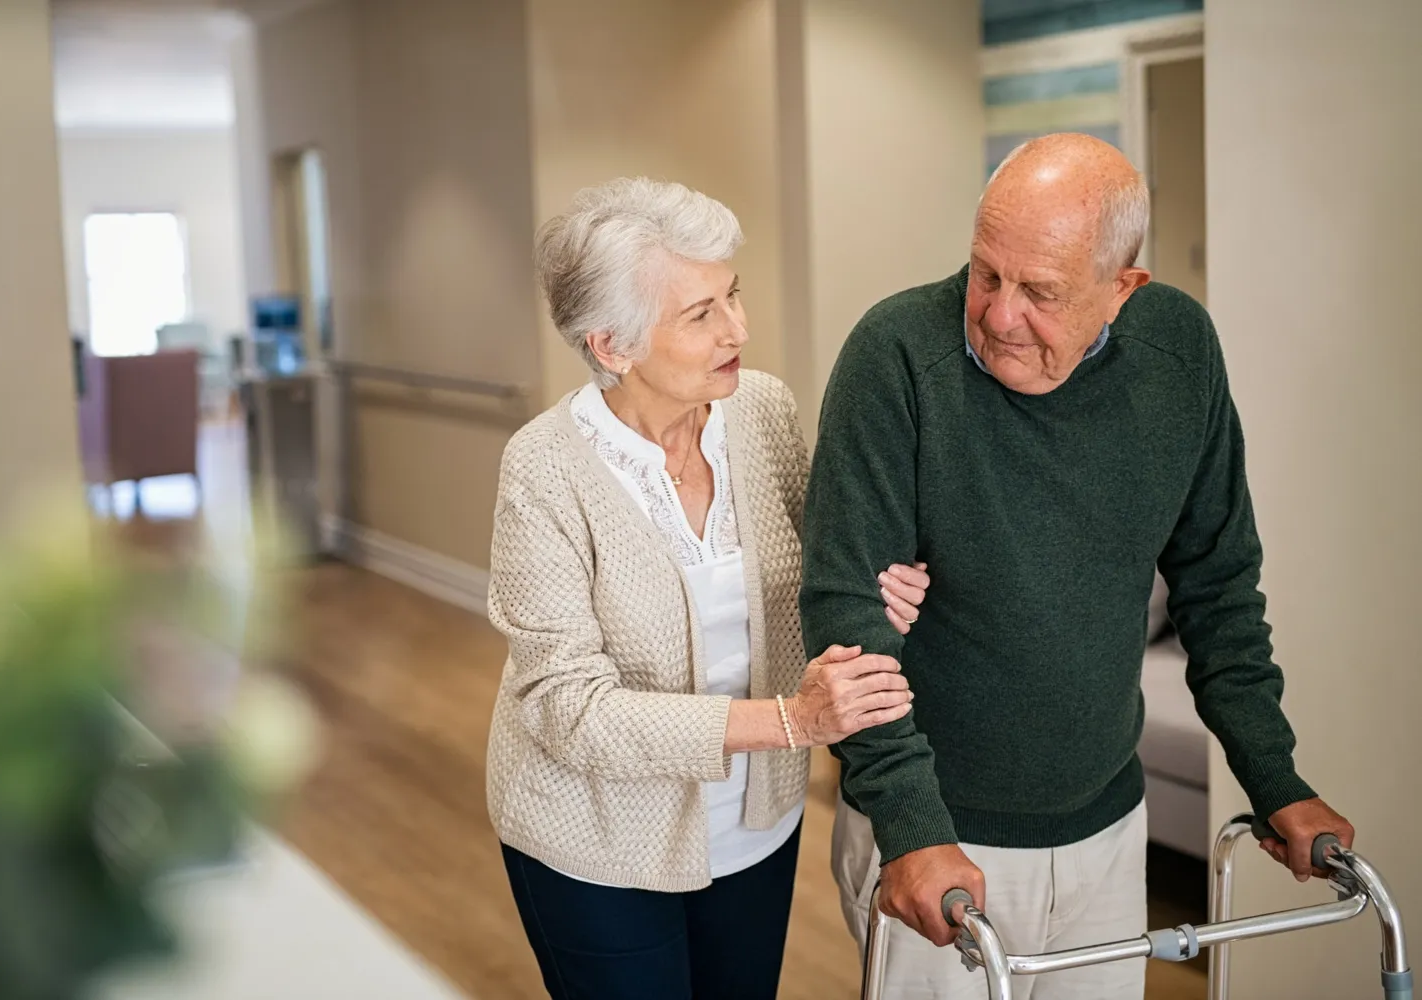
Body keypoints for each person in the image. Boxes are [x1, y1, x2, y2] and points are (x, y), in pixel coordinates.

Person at [799, 133, 1355, 999]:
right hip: (935, 830)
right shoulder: (897, 356)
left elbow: (1218, 584)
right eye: (986, 273)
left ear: (1122, 289)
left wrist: (1273, 775)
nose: (996, 313)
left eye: (1041, 292)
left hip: (1106, 825)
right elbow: (847, 612)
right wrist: (908, 824)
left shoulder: (1179, 353)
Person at [485, 177, 931, 1000]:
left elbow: (811, 580)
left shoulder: (760, 410)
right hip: (597, 841)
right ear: (611, 345)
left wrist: (873, 594)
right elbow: (566, 707)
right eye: (701, 314)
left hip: (757, 826)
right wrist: (792, 722)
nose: (740, 328)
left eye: (733, 295)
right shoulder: (544, 469)